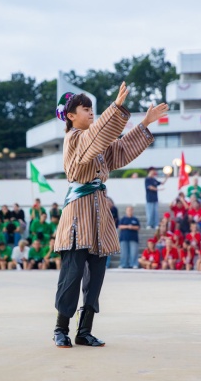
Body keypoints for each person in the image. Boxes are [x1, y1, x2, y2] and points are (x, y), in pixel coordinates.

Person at [52, 83, 163, 348]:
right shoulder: (75, 138)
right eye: (85, 109)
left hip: (99, 212)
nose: (91, 112)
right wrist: (115, 108)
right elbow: (95, 140)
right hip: (78, 213)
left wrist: (145, 123)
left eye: (92, 108)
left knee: (96, 275)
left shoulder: (95, 142)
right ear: (70, 116)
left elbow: (120, 149)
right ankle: (60, 328)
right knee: (72, 274)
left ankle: (84, 330)